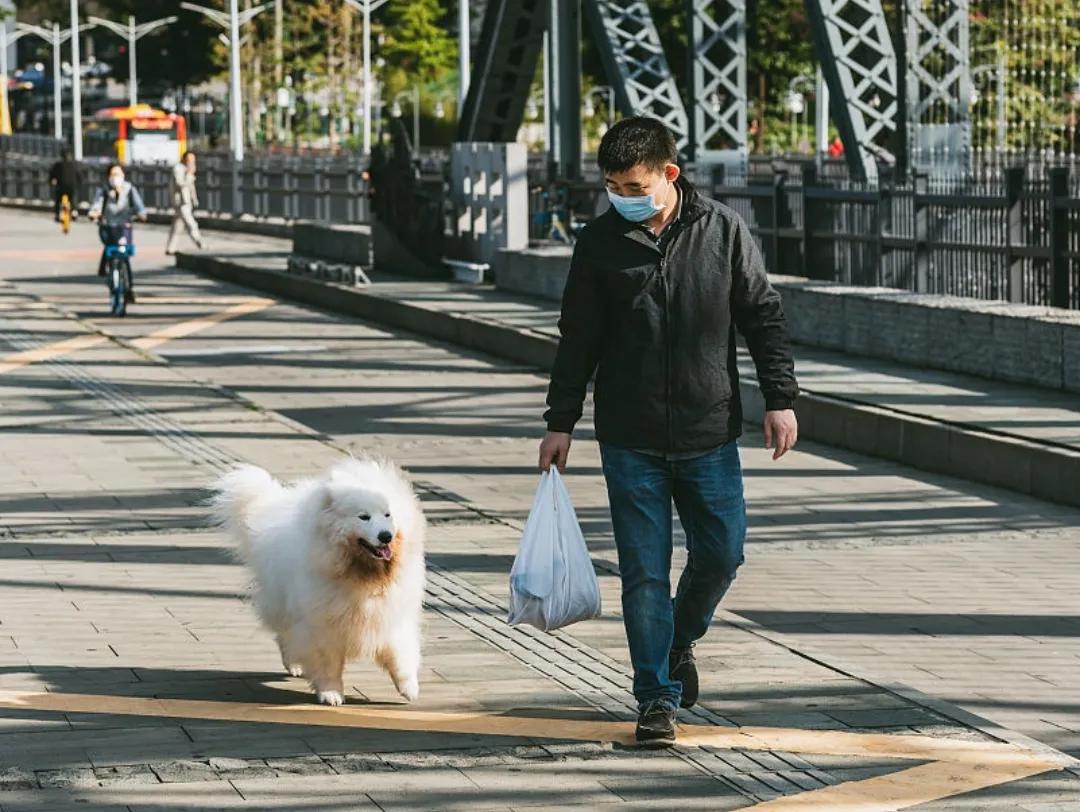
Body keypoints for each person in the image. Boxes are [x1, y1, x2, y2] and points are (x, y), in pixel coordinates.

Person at [537, 117, 799, 747]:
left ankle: (680, 639)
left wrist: (780, 400)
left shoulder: (722, 231)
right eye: (610, 183)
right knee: (644, 573)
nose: (620, 193)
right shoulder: (600, 243)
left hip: (710, 430)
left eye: (632, 183)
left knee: (722, 552)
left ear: (669, 176)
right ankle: (655, 697)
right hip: (630, 438)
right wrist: (560, 422)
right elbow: (579, 338)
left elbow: (762, 316)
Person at [89, 164, 148, 302]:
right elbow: (96, 205)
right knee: (110, 249)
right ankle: (108, 272)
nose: (115, 178)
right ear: (108, 177)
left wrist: (142, 214)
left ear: (123, 175)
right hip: (107, 226)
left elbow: (139, 206)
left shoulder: (129, 189)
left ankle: (129, 288)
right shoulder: (103, 190)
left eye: (118, 174)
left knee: (124, 255)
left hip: (124, 227)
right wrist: (94, 213)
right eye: (113, 174)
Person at [165, 151, 206, 255]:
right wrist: (189, 174)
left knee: (177, 226)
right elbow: (180, 183)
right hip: (180, 202)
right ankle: (200, 243)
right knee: (190, 223)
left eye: (193, 160)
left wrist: (194, 199)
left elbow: (191, 188)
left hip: (186, 201)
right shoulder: (178, 169)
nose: (191, 162)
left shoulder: (188, 170)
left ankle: (170, 248)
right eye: (189, 160)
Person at [48, 148, 81, 222]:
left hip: (61, 187)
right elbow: (79, 177)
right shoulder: (75, 165)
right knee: (73, 198)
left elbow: (52, 175)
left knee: (58, 200)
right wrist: (78, 184)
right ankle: (74, 212)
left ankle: (57, 214)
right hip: (72, 187)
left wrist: (51, 182)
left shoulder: (57, 165)